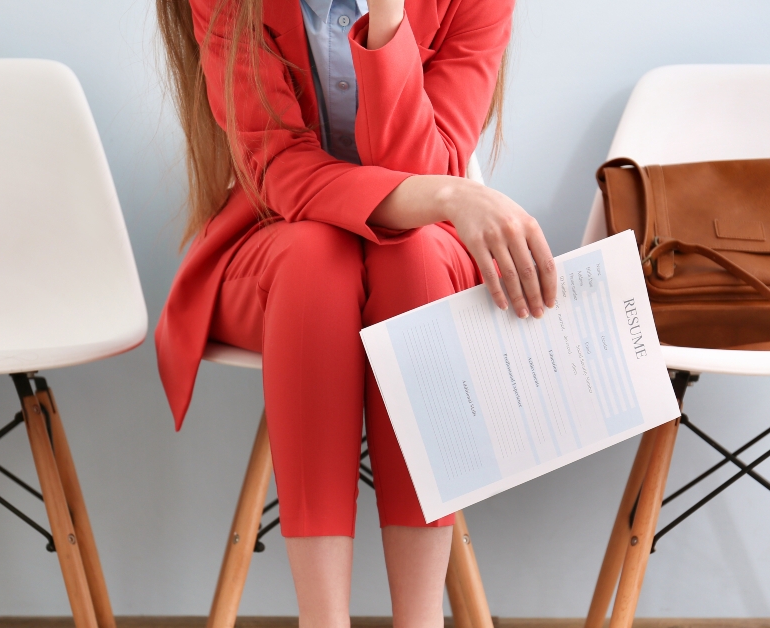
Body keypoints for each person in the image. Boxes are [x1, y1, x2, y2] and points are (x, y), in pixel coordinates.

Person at [155, 0, 556, 625]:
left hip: (420, 257)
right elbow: (279, 171)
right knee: (318, 258)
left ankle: (420, 620)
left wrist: (389, 20)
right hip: (276, 247)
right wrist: (452, 192)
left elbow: (422, 166)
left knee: (414, 258)